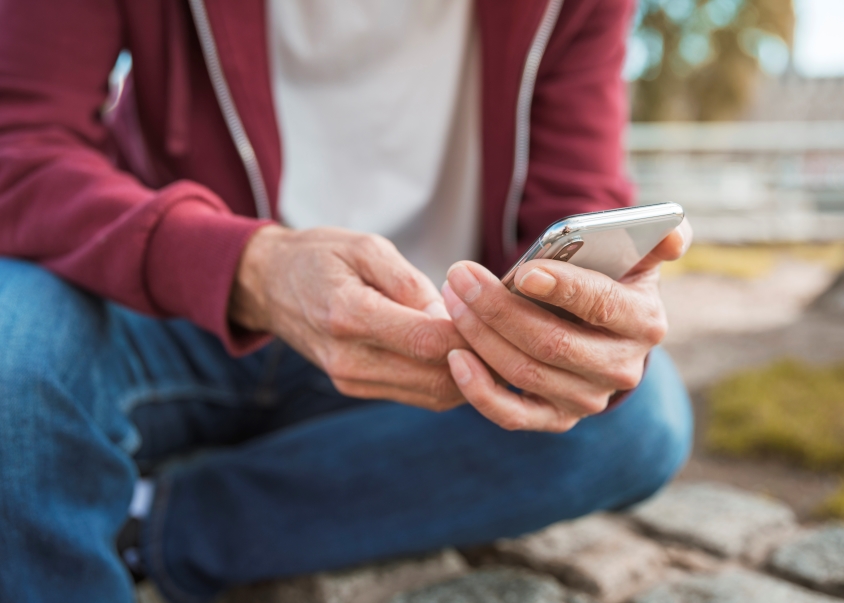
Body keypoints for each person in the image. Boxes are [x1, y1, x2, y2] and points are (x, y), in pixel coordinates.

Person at [0, 0, 693, 601]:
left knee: (633, 417)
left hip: (434, 338)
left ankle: (150, 521)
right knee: (10, 354)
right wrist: (248, 267)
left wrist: (593, 314)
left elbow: (576, 200)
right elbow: (22, 144)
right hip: (164, 307)